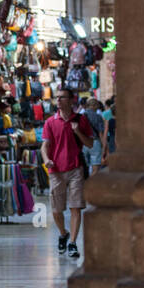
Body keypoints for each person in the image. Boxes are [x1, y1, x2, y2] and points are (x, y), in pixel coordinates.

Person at [42, 90, 94, 260]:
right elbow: (45, 146)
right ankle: (63, 233)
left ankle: (72, 243)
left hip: (75, 169)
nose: (58, 99)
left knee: (75, 206)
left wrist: (78, 131)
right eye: (56, 97)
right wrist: (46, 159)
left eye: (61, 97)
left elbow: (90, 144)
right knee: (56, 210)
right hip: (56, 170)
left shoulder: (80, 120)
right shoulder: (50, 122)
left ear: (71, 100)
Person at [82, 97, 107, 172]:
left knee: (85, 169)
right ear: (95, 106)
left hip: (84, 143)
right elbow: (101, 133)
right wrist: (104, 146)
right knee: (95, 170)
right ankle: (90, 182)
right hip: (95, 143)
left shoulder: (82, 116)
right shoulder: (98, 117)